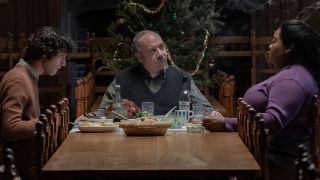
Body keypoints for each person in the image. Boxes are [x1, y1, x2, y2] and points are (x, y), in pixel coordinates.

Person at [203, 19, 320, 180]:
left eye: (274, 41)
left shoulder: (292, 79)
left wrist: (226, 123)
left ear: (289, 48)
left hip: (274, 164)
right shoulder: (292, 74)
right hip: (262, 156)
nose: (269, 46)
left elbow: (273, 121)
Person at [0, 26, 73, 180]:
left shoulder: (29, 76)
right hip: (22, 167)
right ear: (45, 55)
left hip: (32, 158)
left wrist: (64, 122)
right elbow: (10, 128)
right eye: (61, 56)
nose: (63, 63)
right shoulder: (18, 80)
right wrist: (49, 120)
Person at [91, 30, 214, 117]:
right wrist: (90, 117)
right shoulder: (123, 79)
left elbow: (206, 109)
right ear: (139, 57)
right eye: (153, 51)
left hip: (174, 142)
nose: (161, 54)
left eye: (162, 47)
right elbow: (103, 111)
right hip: (134, 144)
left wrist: (212, 115)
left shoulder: (182, 78)